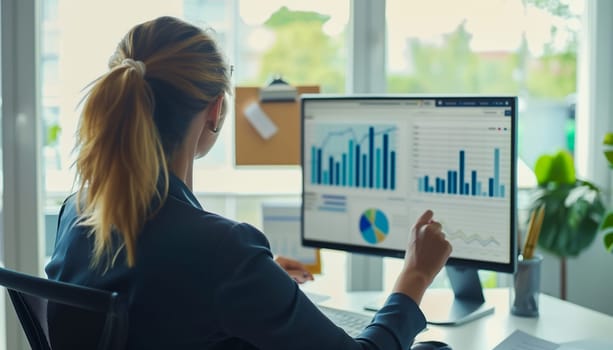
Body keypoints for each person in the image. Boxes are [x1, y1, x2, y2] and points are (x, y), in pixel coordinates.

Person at [46, 16, 452, 350]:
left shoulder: (76, 213)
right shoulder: (223, 252)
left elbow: (155, 297)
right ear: (216, 110)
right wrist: (414, 276)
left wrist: (260, 281)